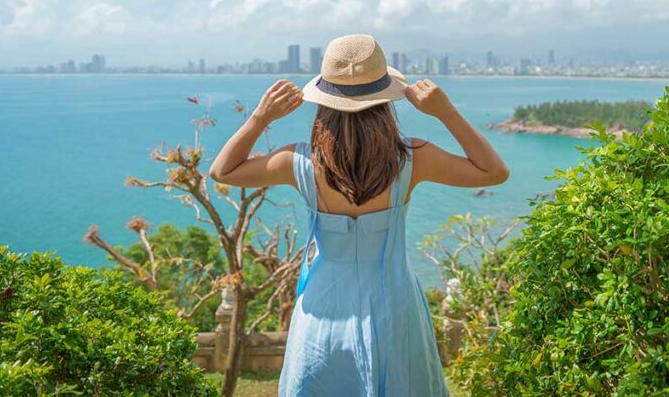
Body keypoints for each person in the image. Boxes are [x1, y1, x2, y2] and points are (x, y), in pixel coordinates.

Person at [208, 34, 510, 396]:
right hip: (394, 305)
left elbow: (222, 172)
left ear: (324, 102)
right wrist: (446, 112)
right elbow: (494, 172)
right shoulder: (411, 158)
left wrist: (261, 117)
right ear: (385, 101)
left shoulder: (300, 162)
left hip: (324, 308)